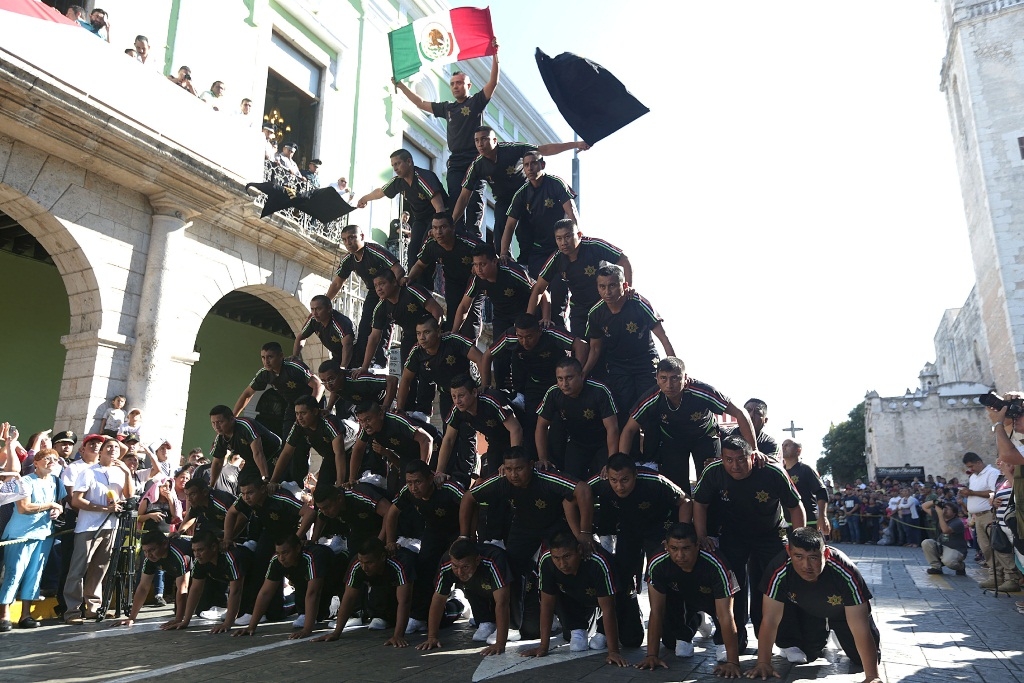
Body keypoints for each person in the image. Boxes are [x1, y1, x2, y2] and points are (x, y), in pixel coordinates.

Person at [459, 447, 594, 634]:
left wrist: (585, 531)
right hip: (523, 526)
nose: (513, 474)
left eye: (519, 469)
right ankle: (513, 624)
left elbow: (583, 489)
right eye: (509, 469)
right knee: (511, 568)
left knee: (559, 566)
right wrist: (465, 537)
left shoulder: (546, 476)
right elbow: (468, 497)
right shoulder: (501, 479)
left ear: (531, 466)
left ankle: (574, 623)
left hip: (555, 526)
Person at [692, 435, 803, 651]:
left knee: (773, 584)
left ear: (752, 456)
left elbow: (795, 507)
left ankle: (783, 641)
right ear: (722, 458)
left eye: (741, 459)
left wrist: (798, 542)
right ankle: (733, 641)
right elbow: (700, 503)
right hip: (733, 535)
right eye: (729, 460)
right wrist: (701, 535)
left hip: (770, 534)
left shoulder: (772, 472)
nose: (735, 465)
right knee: (733, 587)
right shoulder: (713, 471)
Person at [392, 42, 499, 231]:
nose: (456, 86)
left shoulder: (475, 102)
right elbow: (420, 102)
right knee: (455, 198)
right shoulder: (447, 108)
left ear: (468, 85)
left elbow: (493, 84)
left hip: (475, 159)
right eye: (452, 84)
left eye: (459, 83)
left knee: (474, 199)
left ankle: (473, 235)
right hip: (456, 161)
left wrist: (495, 56)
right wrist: (400, 85)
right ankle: (456, 232)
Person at [752, 527, 881, 681]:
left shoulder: (845, 571)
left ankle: (839, 634)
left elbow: (860, 625)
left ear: (825, 554)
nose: (806, 565)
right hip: (809, 611)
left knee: (862, 660)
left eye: (813, 558)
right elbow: (770, 619)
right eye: (798, 556)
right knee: (806, 653)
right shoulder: (779, 569)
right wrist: (763, 662)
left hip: (844, 616)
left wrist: (872, 676)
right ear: (788, 551)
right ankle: (823, 634)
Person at [620, 357, 760, 494]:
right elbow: (629, 429)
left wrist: (753, 449)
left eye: (675, 378)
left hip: (705, 437)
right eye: (664, 378)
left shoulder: (702, 391)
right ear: (657, 378)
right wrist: (621, 464)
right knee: (676, 486)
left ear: (685, 378)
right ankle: (682, 517)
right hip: (673, 440)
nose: (669, 385)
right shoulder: (651, 397)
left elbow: (741, 413)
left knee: (711, 480)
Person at [452, 126, 588, 255]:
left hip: (525, 194)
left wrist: (576, 145)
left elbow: (542, 150)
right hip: (504, 199)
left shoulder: (512, 149)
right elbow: (464, 197)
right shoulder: (477, 165)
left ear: (494, 140)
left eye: (484, 139)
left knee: (526, 231)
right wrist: (451, 223)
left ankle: (533, 259)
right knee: (500, 224)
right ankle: (504, 261)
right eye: (477, 140)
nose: (480, 144)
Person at [583, 265, 675, 446]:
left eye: (612, 286)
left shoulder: (639, 304)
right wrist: (583, 373)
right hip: (618, 366)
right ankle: (630, 459)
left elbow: (663, 337)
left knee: (649, 409)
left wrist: (675, 366)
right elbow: (594, 349)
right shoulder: (595, 313)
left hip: (645, 362)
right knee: (625, 411)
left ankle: (652, 459)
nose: (607, 291)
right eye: (602, 286)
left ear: (624, 286)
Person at [520, 530, 638, 667]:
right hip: (576, 597)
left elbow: (609, 609)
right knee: (572, 639)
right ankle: (579, 625)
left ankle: (602, 630)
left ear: (580, 550)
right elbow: (547, 605)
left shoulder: (598, 561)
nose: (562, 564)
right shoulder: (546, 561)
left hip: (616, 598)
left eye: (567, 556)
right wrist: (543, 646)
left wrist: (613, 651)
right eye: (556, 558)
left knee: (632, 639)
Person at [638, 523, 742, 675]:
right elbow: (657, 611)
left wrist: (733, 662)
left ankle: (713, 628)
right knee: (672, 645)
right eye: (674, 549)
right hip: (682, 597)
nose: (679, 555)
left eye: (686, 548)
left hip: (715, 600)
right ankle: (697, 620)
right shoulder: (657, 562)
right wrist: (652, 655)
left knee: (734, 647)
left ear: (697, 545)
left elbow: (726, 615)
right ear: (666, 546)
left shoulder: (716, 564)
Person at [385, 460, 464, 634]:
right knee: (424, 566)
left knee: (458, 566)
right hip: (433, 530)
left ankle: (468, 608)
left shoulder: (447, 487)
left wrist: (466, 535)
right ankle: (420, 616)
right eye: (409, 482)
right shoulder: (408, 492)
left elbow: (469, 504)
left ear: (431, 478)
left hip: (457, 531)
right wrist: (390, 541)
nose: (413, 488)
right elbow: (392, 513)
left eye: (418, 482)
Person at [63, 437, 135, 624]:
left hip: (111, 526)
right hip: (89, 527)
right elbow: (77, 500)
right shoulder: (88, 472)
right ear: (101, 451)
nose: (113, 450)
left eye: (116, 448)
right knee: (79, 568)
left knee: (100, 569)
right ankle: (72, 611)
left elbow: (129, 495)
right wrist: (104, 509)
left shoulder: (120, 472)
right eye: (109, 447)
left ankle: (93, 608)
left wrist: (127, 472)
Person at [233, 342, 322, 484]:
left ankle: (300, 482)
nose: (266, 361)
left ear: (281, 356)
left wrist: (312, 408)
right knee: (288, 443)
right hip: (292, 406)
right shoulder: (264, 374)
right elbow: (247, 394)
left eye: (270, 357)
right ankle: (287, 480)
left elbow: (318, 384)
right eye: (263, 357)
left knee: (303, 443)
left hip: (311, 405)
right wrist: (233, 417)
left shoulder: (293, 368)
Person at [356, 149, 447, 284]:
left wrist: (437, 229)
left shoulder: (423, 178)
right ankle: (413, 283)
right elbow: (381, 192)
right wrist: (365, 198)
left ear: (409, 161)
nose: (395, 168)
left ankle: (425, 285)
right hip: (420, 219)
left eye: (398, 164)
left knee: (426, 247)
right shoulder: (398, 182)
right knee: (412, 249)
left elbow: (440, 207)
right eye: (393, 165)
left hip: (438, 217)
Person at [418, 538, 518, 655]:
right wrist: (432, 637)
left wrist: (500, 643)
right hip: (475, 590)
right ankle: (463, 604)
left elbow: (502, 602)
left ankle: (513, 623)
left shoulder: (494, 559)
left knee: (530, 629)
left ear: (477, 560)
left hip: (510, 588)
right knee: (481, 629)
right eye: (455, 566)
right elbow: (438, 599)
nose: (459, 572)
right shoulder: (446, 562)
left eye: (465, 567)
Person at [0, 449, 65, 631]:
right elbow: (23, 507)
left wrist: (57, 510)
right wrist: (51, 505)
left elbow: (56, 506)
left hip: (44, 534)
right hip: (21, 534)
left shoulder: (54, 481)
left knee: (34, 574)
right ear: (35, 462)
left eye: (55, 459)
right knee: (14, 573)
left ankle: (26, 615)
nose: (52, 461)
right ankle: (4, 615)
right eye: (47, 458)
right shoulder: (26, 481)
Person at [528, 221, 631, 334]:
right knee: (581, 346)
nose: (563, 243)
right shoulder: (556, 259)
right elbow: (538, 289)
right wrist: (528, 320)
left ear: (579, 235)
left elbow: (625, 260)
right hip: (579, 309)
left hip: (604, 304)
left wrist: (628, 289)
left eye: (567, 237)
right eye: (559, 238)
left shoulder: (594, 246)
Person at [326, 224, 405, 369]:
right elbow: (337, 283)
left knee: (383, 327)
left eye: (351, 238)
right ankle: (361, 364)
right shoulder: (348, 259)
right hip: (373, 292)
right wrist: (325, 303)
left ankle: (380, 364)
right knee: (364, 328)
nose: (348, 242)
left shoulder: (375, 251)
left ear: (361, 236)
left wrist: (392, 293)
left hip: (391, 292)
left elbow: (398, 269)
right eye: (344, 240)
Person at [234, 534, 344, 638]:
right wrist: (251, 627)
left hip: (333, 582)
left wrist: (307, 629)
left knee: (321, 613)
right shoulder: (276, 561)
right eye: (278, 553)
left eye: (285, 553)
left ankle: (336, 604)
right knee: (310, 614)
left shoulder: (313, 556)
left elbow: (314, 593)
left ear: (297, 548)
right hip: (304, 585)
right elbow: (265, 593)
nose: (281, 558)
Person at [312, 537, 414, 646]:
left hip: (415, 585)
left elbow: (404, 601)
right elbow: (349, 599)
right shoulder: (357, 564)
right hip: (382, 583)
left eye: (369, 562)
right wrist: (336, 633)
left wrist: (398, 636)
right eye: (361, 562)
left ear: (383, 557)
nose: (364, 567)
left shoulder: (400, 562)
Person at [500, 150, 579, 277]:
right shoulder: (521, 194)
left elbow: (572, 212)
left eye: (534, 163)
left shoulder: (556, 183)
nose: (530, 168)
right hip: (538, 248)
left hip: (560, 245)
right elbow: (509, 225)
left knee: (559, 285)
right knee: (536, 285)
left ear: (542, 165)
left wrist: (576, 240)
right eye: (526, 165)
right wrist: (504, 253)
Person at [536, 358, 619, 478]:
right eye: (560, 379)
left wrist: (611, 462)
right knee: (571, 482)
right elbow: (541, 426)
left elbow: (613, 428)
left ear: (581, 375)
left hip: (603, 443)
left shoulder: (599, 390)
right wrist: (542, 458)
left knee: (605, 479)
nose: (564, 384)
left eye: (569, 378)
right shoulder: (553, 393)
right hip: (577, 443)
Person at [405, 212, 484, 338]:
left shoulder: (468, 242)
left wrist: (478, 266)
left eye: (443, 227)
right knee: (452, 316)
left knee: (470, 319)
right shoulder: (431, 244)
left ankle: (470, 348)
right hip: (452, 282)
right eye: (435, 228)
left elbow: (489, 256)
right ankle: (452, 344)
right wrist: (409, 278)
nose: (438, 232)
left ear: (453, 228)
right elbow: (420, 265)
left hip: (474, 281)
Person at [352, 269, 443, 378]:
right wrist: (364, 367)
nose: (379, 289)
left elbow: (437, 311)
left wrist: (435, 335)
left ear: (394, 282)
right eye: (376, 286)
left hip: (431, 333)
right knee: (407, 375)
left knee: (432, 373)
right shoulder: (380, 307)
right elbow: (374, 337)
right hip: (409, 336)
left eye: (382, 283)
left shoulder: (411, 290)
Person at [160, 530, 254, 633]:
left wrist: (227, 624)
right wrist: (185, 621)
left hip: (255, 580)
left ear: (214, 547)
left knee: (251, 614)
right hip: (230, 580)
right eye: (194, 551)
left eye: (200, 550)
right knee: (201, 610)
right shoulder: (199, 562)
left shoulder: (231, 557)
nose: (196, 554)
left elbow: (236, 591)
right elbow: (195, 590)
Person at [435, 375, 521, 483]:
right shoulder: (456, 410)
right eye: (454, 396)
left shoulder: (491, 400)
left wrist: (510, 462)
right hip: (495, 442)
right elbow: (448, 440)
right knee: (493, 479)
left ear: (474, 392)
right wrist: (439, 472)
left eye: (461, 395)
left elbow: (516, 429)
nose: (457, 401)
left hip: (520, 438)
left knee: (516, 474)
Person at [451, 243, 543, 341]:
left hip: (523, 314)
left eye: (482, 264)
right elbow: (464, 306)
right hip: (501, 318)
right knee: (498, 352)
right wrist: (454, 332)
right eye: (475, 265)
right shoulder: (476, 279)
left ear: (494, 261)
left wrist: (544, 317)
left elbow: (541, 291)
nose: (479, 269)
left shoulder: (512, 271)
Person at [347, 402, 433, 493]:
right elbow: (358, 449)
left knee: (426, 484)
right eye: (361, 421)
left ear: (380, 415)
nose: (365, 425)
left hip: (431, 448)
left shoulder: (396, 420)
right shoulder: (366, 428)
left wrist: (423, 470)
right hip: (407, 454)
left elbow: (426, 439)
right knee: (406, 491)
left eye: (368, 419)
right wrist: (352, 478)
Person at [270, 395, 349, 493]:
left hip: (350, 450)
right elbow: (286, 453)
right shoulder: (298, 426)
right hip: (331, 455)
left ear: (315, 411)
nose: (299, 417)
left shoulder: (328, 422)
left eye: (303, 413)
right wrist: (273, 481)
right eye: (297, 413)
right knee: (321, 491)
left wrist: (339, 484)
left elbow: (339, 453)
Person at [960, 451, 1014, 590]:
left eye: (972, 466)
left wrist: (971, 493)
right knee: (986, 548)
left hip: (989, 515)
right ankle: (995, 577)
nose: (970, 469)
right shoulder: (973, 477)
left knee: (999, 546)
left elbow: (993, 492)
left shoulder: (991, 473)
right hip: (978, 517)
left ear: (979, 462)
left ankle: (1010, 577)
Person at [117, 531, 193, 627]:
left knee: (198, 608)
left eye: (152, 550)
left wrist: (178, 619)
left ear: (165, 544)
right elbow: (143, 587)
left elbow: (183, 589)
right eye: (145, 551)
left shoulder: (179, 555)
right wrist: (132, 618)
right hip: (183, 572)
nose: (148, 555)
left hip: (202, 570)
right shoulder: (149, 559)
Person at [208, 404, 282, 486]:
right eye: (213, 423)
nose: (216, 426)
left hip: (274, 453)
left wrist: (265, 479)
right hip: (252, 460)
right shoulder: (220, 438)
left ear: (232, 419)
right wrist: (211, 486)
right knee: (243, 481)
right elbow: (217, 462)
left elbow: (258, 453)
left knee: (264, 483)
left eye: (220, 422)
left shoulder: (246, 426)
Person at [782, 439, 831, 536]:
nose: (783, 447)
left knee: (810, 550)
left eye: (787, 445)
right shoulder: (780, 472)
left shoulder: (806, 469)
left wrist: (823, 516)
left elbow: (821, 492)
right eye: (782, 445)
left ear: (798, 451)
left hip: (808, 520)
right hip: (785, 522)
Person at [291, 295, 355, 367]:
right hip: (337, 357)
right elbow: (301, 337)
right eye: (312, 309)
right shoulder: (313, 319)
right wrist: (295, 356)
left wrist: (343, 368)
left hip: (356, 356)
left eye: (318, 309)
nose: (315, 313)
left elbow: (347, 345)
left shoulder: (340, 322)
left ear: (329, 308)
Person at [317, 359, 394, 417]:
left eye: (331, 379)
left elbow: (392, 380)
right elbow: (335, 391)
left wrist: (385, 407)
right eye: (324, 381)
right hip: (366, 410)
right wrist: (328, 408)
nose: (328, 385)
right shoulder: (335, 385)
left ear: (341, 375)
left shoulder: (358, 379)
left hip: (383, 406)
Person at [920, 498, 968, 576]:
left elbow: (945, 530)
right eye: (943, 508)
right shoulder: (939, 515)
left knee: (949, 563)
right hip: (942, 546)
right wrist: (935, 501)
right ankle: (936, 567)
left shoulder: (957, 522)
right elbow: (924, 506)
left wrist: (940, 515)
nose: (944, 510)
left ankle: (961, 566)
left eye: (947, 509)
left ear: (954, 513)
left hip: (956, 549)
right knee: (926, 542)